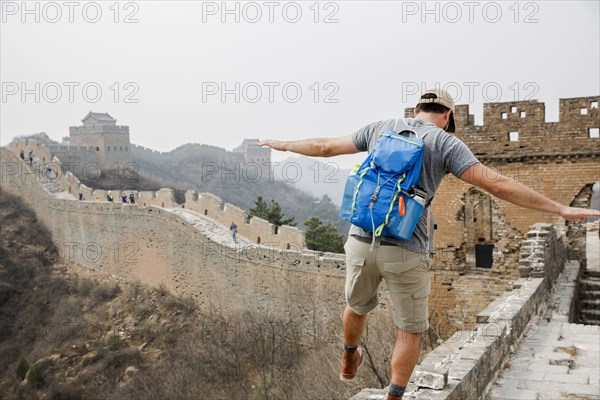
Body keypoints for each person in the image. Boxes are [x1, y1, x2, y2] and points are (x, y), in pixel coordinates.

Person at [259, 88, 600, 400]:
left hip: (361, 238)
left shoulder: (381, 128)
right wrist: (558, 208)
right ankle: (395, 395)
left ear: (416, 109)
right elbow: (496, 184)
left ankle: (349, 356)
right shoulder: (445, 144)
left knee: (357, 306)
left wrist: (284, 144)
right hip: (407, 248)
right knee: (408, 332)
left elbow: (324, 148)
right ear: (448, 115)